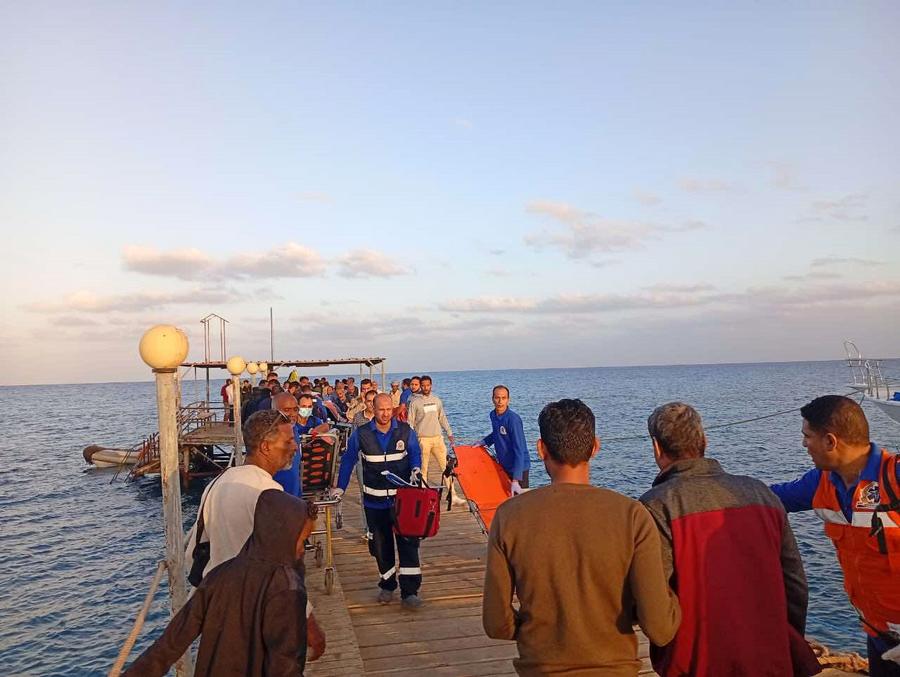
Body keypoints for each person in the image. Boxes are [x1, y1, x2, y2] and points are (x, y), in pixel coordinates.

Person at [482, 398, 681, 675]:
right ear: (595, 447)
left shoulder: (509, 516)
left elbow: (496, 623)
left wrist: (533, 630)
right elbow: (660, 628)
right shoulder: (632, 516)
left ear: (541, 449)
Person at [639, 402, 819, 677]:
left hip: (697, 665)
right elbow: (795, 585)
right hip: (769, 660)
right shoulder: (762, 494)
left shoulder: (655, 507)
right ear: (703, 440)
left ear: (656, 447)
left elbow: (656, 606)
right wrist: (783, 639)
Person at [770, 395, 900, 676]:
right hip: (879, 636)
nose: (804, 444)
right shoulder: (821, 484)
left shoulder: (894, 479)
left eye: (807, 436)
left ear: (830, 441)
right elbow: (766, 498)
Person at [125, 490, 318, 676]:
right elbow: (285, 666)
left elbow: (172, 641)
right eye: (302, 541)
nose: (303, 550)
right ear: (283, 535)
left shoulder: (219, 574)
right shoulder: (288, 589)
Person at [184, 409, 326, 657]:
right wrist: (310, 626)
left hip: (217, 608)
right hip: (254, 613)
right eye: (288, 441)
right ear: (265, 447)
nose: (295, 446)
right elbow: (282, 568)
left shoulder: (218, 483)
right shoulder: (268, 494)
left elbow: (193, 551)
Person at [332, 393, 425, 609]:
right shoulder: (361, 434)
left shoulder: (405, 431)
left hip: (402, 501)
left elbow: (415, 453)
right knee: (381, 547)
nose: (385, 414)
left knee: (409, 545)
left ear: (393, 408)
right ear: (372, 409)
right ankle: (387, 585)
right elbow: (348, 460)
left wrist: (416, 469)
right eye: (380, 409)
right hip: (375, 503)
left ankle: (410, 591)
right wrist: (340, 487)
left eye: (388, 409)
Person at [407, 375, 460, 504]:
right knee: (423, 469)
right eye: (423, 385)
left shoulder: (436, 400)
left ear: (431, 385)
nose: (426, 388)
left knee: (446, 468)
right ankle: (423, 496)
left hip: (437, 438)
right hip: (422, 439)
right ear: (420, 386)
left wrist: (449, 432)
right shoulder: (415, 402)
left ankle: (453, 495)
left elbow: (442, 417)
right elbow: (410, 423)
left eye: (428, 385)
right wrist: (411, 440)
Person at [475, 385, 530, 497]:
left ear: (508, 400)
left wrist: (516, 479)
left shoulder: (513, 420)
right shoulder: (492, 415)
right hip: (504, 464)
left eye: (503, 398)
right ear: (492, 399)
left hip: (519, 467)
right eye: (497, 398)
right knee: (505, 499)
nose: (500, 401)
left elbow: (519, 449)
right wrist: (483, 442)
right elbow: (496, 433)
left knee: (520, 502)